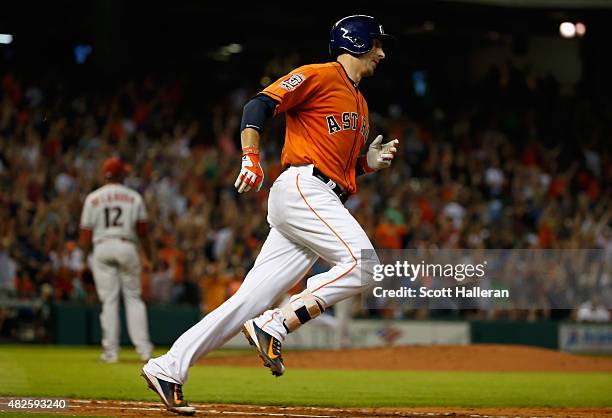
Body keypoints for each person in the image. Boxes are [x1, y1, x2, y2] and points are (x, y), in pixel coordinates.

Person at [141, 15, 398, 415]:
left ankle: (167, 367)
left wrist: (367, 164)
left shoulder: (360, 102)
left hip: (319, 195)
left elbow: (336, 165)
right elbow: (258, 104)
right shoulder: (319, 74)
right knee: (365, 266)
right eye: (377, 43)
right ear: (357, 41)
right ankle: (276, 324)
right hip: (303, 188)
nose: (382, 52)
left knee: (247, 301)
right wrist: (250, 156)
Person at [80, 157, 155, 363]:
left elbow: (86, 234)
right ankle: (144, 350)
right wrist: (148, 255)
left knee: (109, 301)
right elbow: (143, 232)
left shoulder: (93, 198)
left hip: (102, 247)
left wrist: (84, 259)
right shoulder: (134, 197)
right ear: (121, 174)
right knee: (133, 298)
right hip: (127, 246)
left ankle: (111, 352)